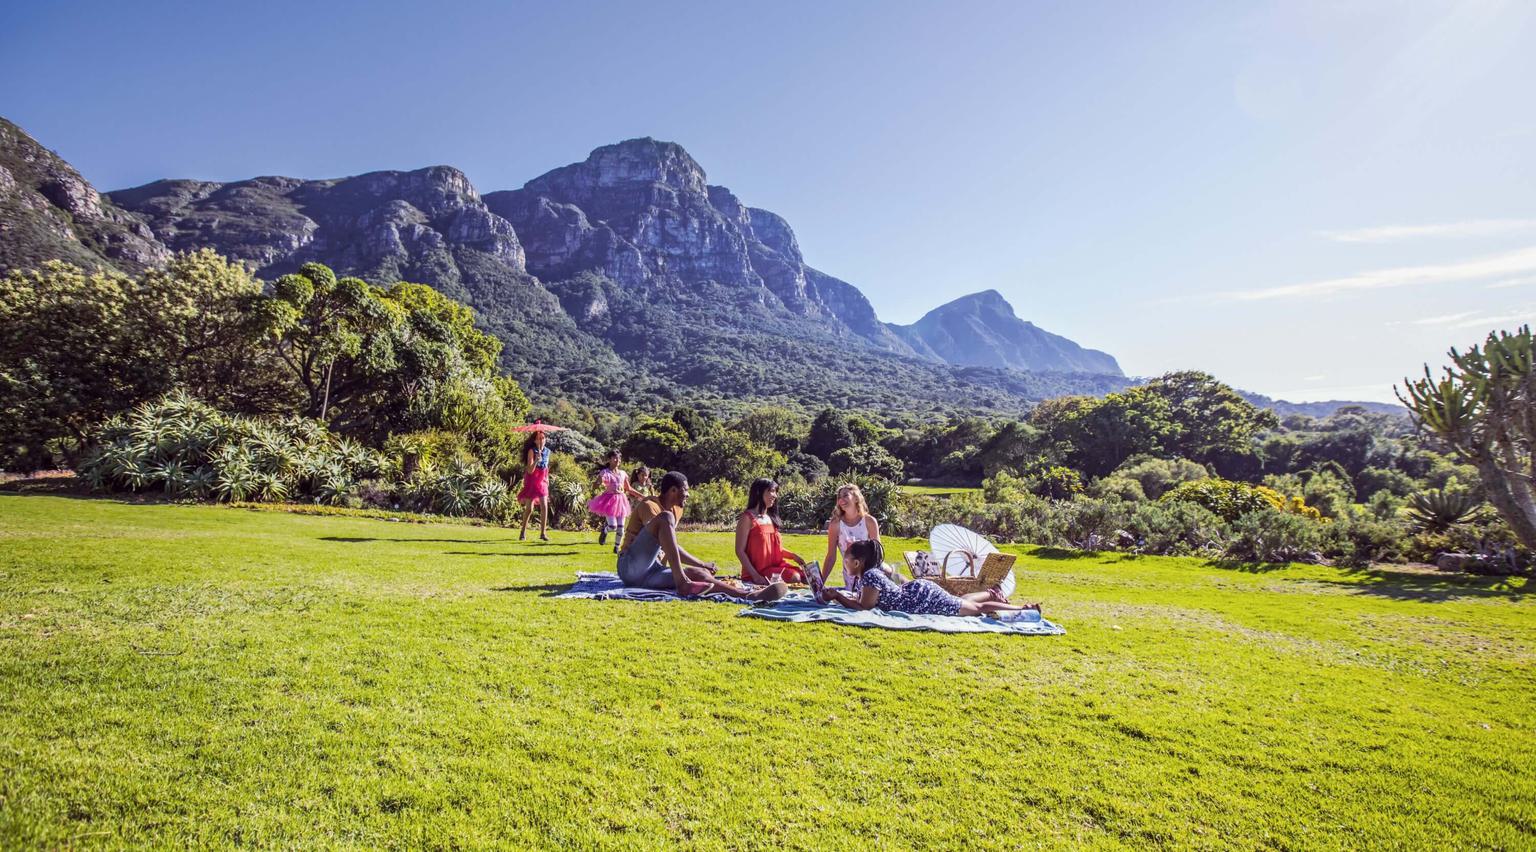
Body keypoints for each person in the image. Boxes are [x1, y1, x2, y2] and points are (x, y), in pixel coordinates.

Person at [617, 471, 787, 601]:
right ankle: (682, 582)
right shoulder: (650, 505)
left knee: (699, 573)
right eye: (686, 490)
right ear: (674, 490)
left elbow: (671, 546)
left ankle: (748, 595)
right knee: (665, 518)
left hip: (652, 573)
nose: (689, 495)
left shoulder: (677, 510)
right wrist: (684, 573)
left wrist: (702, 565)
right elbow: (663, 544)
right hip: (630, 566)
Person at [816, 540, 1041, 618]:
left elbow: (864, 607)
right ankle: (993, 593)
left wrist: (837, 596)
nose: (844, 564)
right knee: (968, 603)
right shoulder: (870, 574)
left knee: (976, 609)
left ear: (857, 563)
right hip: (918, 592)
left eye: (846, 560)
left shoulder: (870, 575)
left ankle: (1024, 608)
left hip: (921, 599)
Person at [734, 478, 807, 585]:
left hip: (775, 567)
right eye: (772, 491)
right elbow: (740, 551)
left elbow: (772, 549)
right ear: (759, 492)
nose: (775, 496)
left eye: (776, 492)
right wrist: (756, 577)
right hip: (759, 571)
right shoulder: (747, 518)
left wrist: (793, 556)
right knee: (794, 577)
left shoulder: (770, 518)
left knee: (807, 576)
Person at [822, 483, 887, 591]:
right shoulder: (835, 524)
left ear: (856, 498)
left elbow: (878, 554)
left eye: (845, 495)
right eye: (839, 497)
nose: (841, 500)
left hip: (871, 573)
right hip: (850, 575)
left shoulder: (869, 521)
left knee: (892, 574)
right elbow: (831, 557)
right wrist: (820, 583)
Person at [587, 450, 644, 552]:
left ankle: (617, 548)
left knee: (621, 528)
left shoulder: (622, 473)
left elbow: (629, 488)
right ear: (609, 459)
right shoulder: (605, 472)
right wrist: (598, 482)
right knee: (613, 526)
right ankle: (605, 530)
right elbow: (595, 485)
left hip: (621, 501)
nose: (618, 460)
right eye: (615, 458)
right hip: (609, 500)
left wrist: (641, 495)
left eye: (619, 458)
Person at [517, 430, 552, 541]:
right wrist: (536, 459)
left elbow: (546, 467)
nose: (542, 440)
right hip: (532, 480)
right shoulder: (532, 451)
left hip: (542, 481)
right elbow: (530, 470)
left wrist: (547, 479)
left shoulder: (547, 451)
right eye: (539, 438)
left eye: (543, 438)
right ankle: (523, 531)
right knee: (529, 509)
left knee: (544, 505)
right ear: (535, 440)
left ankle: (543, 533)